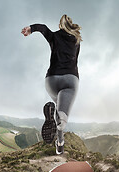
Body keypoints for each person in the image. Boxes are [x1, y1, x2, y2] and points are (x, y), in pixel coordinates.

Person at [21, 14, 82, 155]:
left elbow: (43, 28)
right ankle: (60, 120)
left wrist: (31, 29)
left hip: (51, 80)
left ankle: (59, 143)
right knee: (63, 116)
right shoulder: (76, 41)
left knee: (59, 109)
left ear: (60, 26)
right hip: (70, 80)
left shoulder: (54, 36)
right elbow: (75, 61)